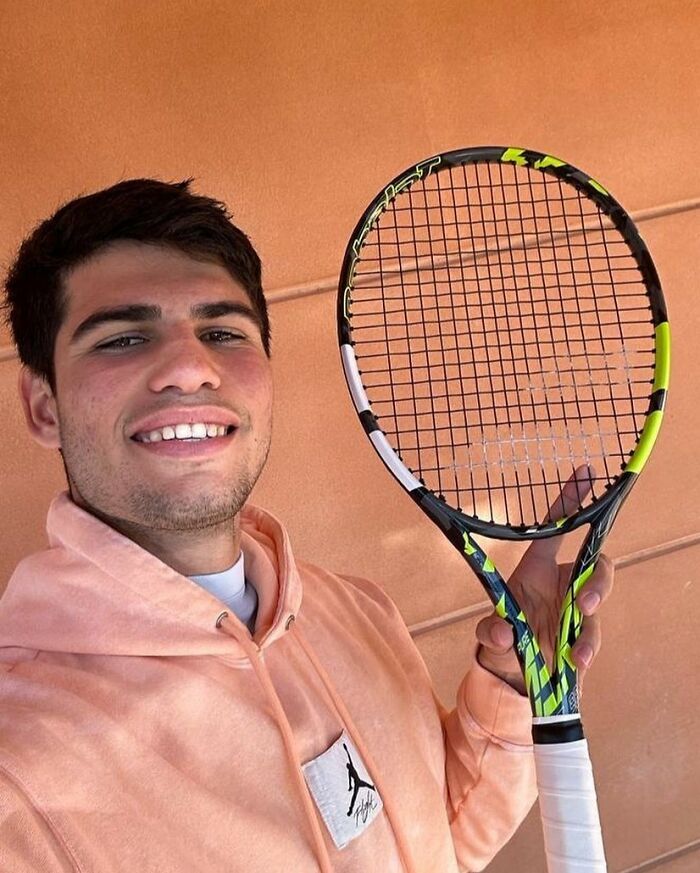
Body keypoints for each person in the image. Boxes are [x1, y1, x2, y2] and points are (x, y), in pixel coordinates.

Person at [0, 179, 613, 873]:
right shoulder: (19, 767)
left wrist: (515, 682)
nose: (190, 367)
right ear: (42, 404)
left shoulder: (353, 608)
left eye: (223, 331)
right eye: (123, 337)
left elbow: (437, 842)